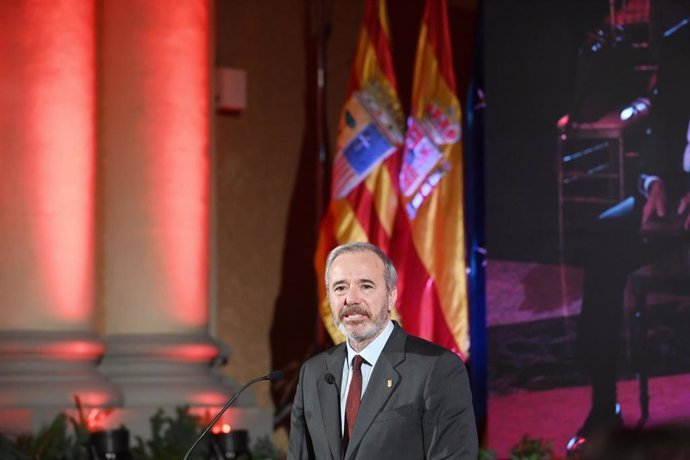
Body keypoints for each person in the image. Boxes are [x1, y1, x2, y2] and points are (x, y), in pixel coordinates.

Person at [567, 10, 690, 454]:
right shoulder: (680, 43)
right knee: (604, 238)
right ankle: (603, 407)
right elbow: (661, 129)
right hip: (676, 190)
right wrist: (654, 180)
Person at [288, 242, 478, 460]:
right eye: (340, 287)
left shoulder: (437, 368)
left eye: (366, 286)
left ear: (391, 296)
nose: (351, 299)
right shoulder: (313, 373)